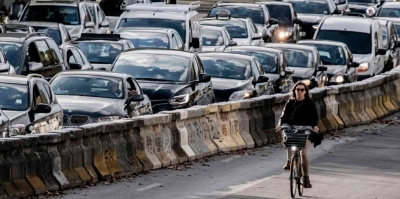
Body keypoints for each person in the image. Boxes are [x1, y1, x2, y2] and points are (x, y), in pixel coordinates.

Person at [277, 81, 323, 189]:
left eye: (302, 90)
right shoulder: (290, 103)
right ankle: (289, 161)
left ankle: (306, 178)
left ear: (305, 92)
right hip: (293, 129)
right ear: (294, 91)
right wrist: (280, 124)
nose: (300, 92)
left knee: (303, 152)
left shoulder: (309, 103)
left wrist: (314, 126)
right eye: (298, 90)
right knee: (286, 135)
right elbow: (283, 117)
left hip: (307, 130)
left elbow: (315, 118)